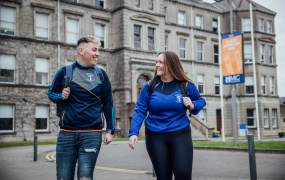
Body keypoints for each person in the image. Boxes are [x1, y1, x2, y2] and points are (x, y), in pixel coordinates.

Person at [128, 51, 206, 180]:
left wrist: (192, 105)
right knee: (163, 177)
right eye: (156, 62)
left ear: (170, 65)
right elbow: (140, 110)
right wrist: (134, 132)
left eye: (160, 62)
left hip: (180, 134)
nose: (157, 65)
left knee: (183, 175)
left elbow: (201, 101)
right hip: (155, 136)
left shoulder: (185, 85)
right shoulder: (149, 86)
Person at [48, 35, 116, 180]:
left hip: (92, 133)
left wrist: (110, 130)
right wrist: (61, 96)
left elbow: (108, 104)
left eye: (98, 50)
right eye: (94, 50)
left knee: (85, 177)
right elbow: (51, 94)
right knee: (63, 177)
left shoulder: (101, 74)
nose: (98, 53)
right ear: (81, 50)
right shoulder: (64, 72)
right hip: (66, 134)